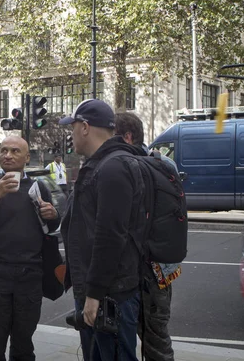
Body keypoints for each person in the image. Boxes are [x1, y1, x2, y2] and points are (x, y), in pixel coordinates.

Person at [59, 99, 145, 361]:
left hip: (110, 297)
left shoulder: (112, 167)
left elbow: (110, 237)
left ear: (85, 127)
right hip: (102, 293)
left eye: (72, 128)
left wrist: (94, 295)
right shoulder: (101, 164)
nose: (70, 135)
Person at [0, 136, 61, 361]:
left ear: (27, 157)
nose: (8, 155)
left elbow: (50, 228)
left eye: (15, 151)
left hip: (29, 279)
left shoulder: (39, 188)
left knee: (23, 347)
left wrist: (54, 216)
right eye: (4, 150)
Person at [115, 112, 181, 361]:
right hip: (163, 268)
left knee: (135, 338)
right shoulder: (165, 163)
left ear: (127, 137)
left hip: (140, 269)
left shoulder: (128, 167)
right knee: (157, 338)